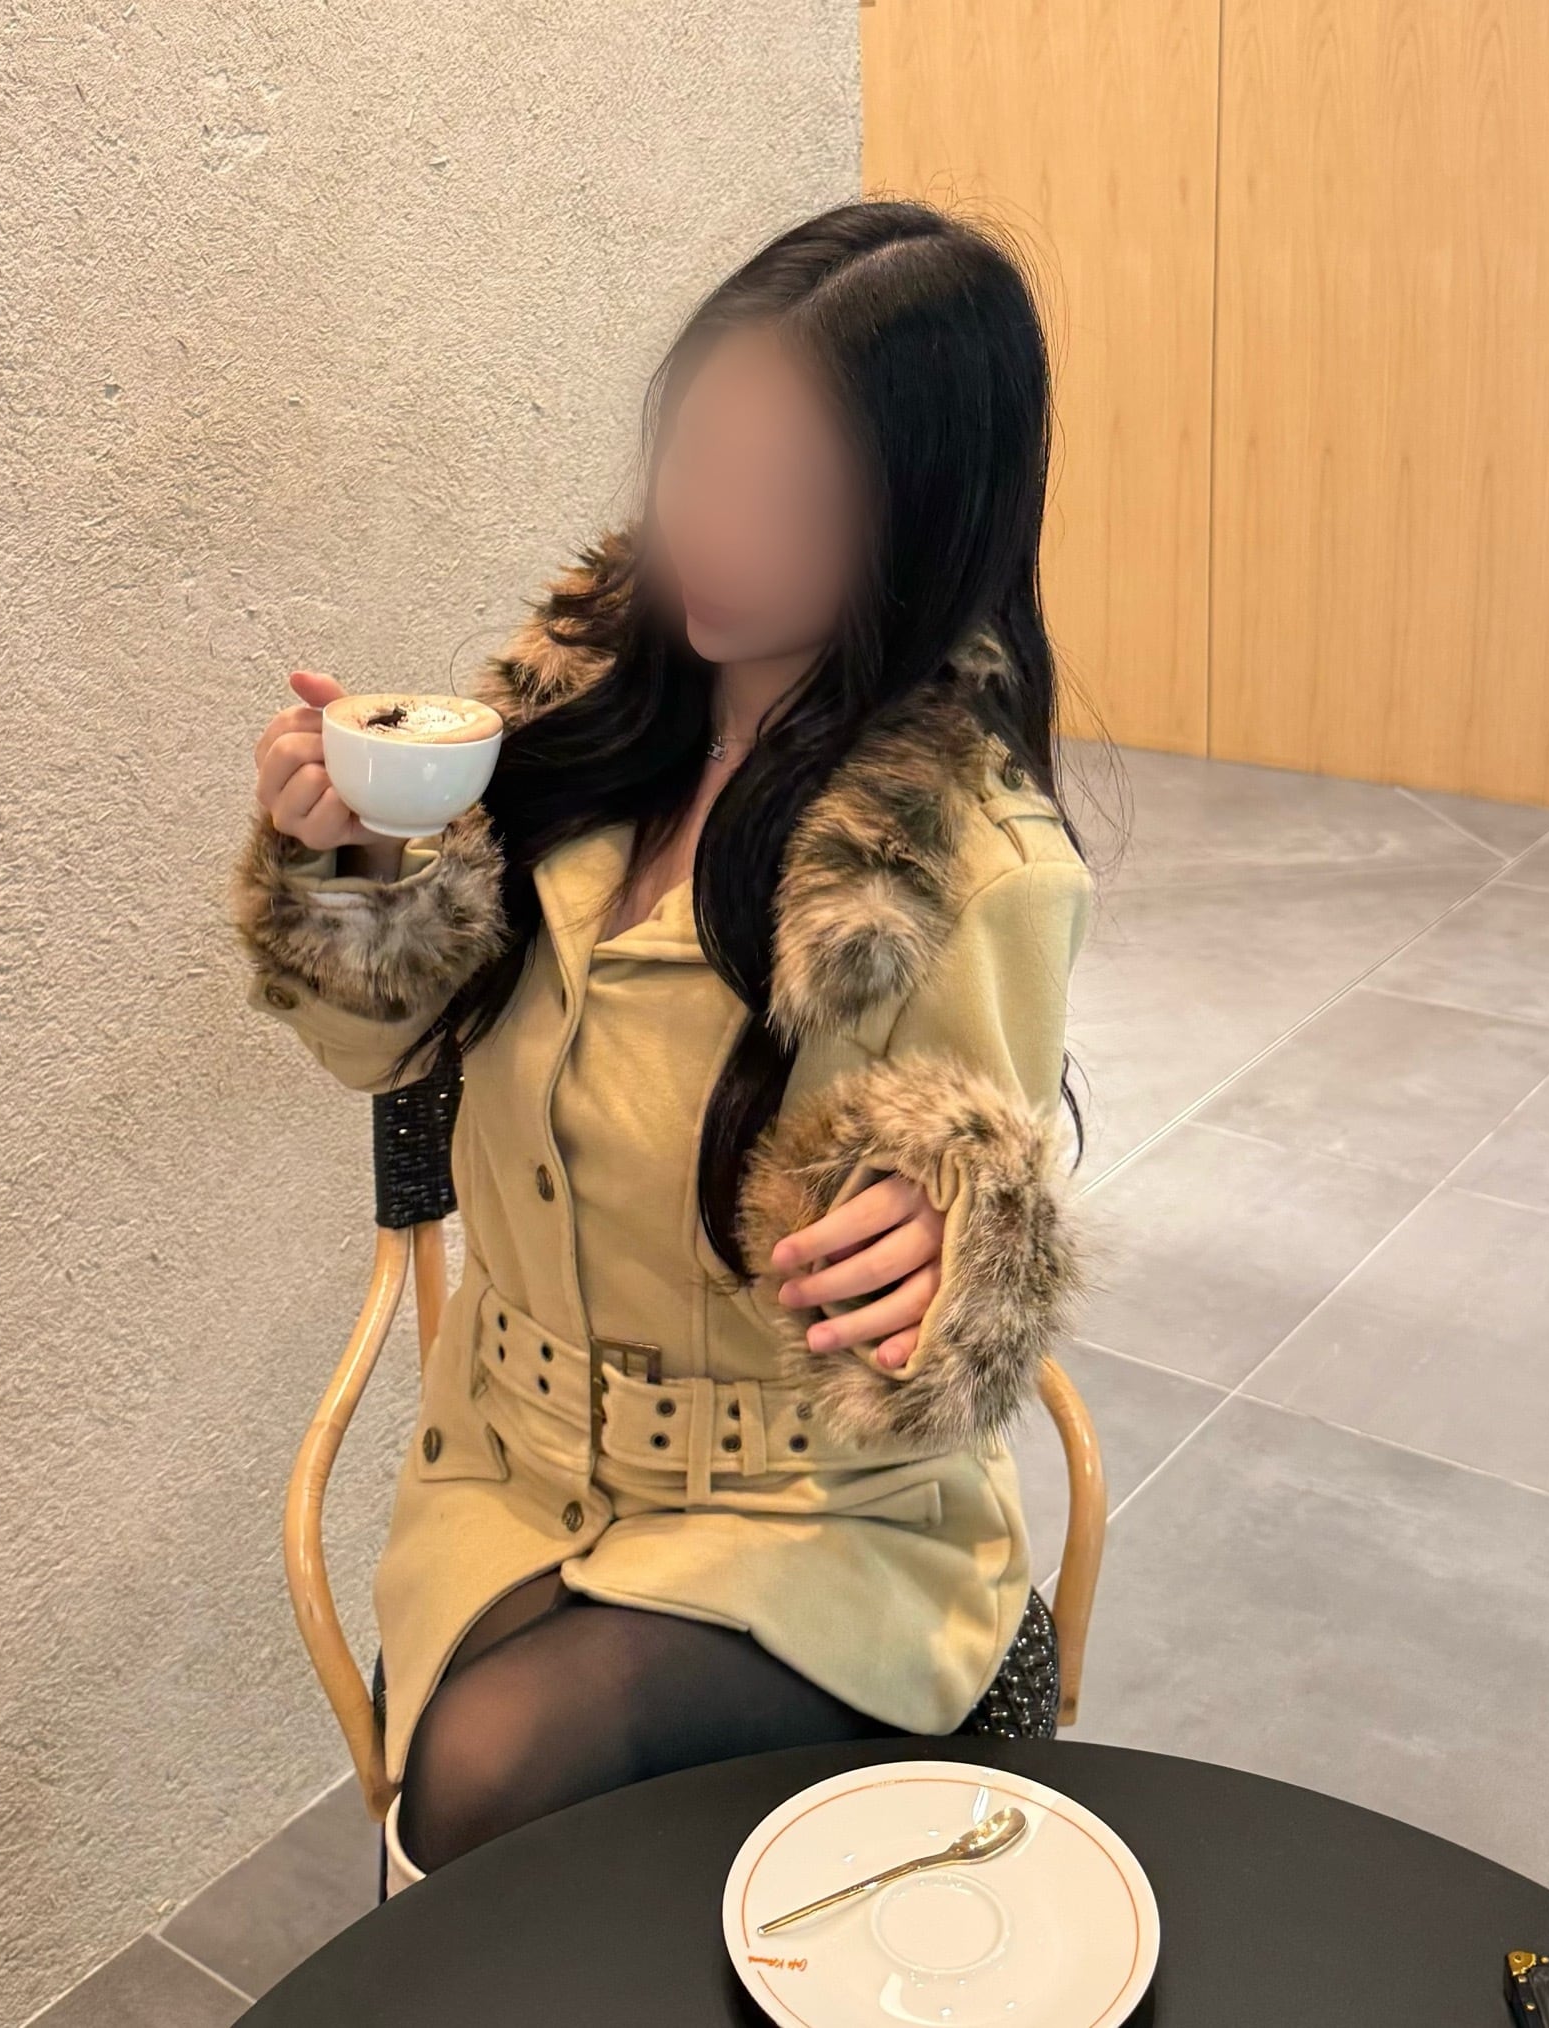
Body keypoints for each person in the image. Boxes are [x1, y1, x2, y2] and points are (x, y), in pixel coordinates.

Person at [234, 200, 1092, 1876]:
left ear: (923, 524)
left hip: (806, 1520)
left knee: (485, 1785)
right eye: (700, 458)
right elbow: (381, 1058)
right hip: (507, 1467)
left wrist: (959, 1243)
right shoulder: (565, 729)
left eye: (795, 499)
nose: (717, 534)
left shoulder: (953, 868)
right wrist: (343, 874)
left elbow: (970, 1224)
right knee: (487, 1811)